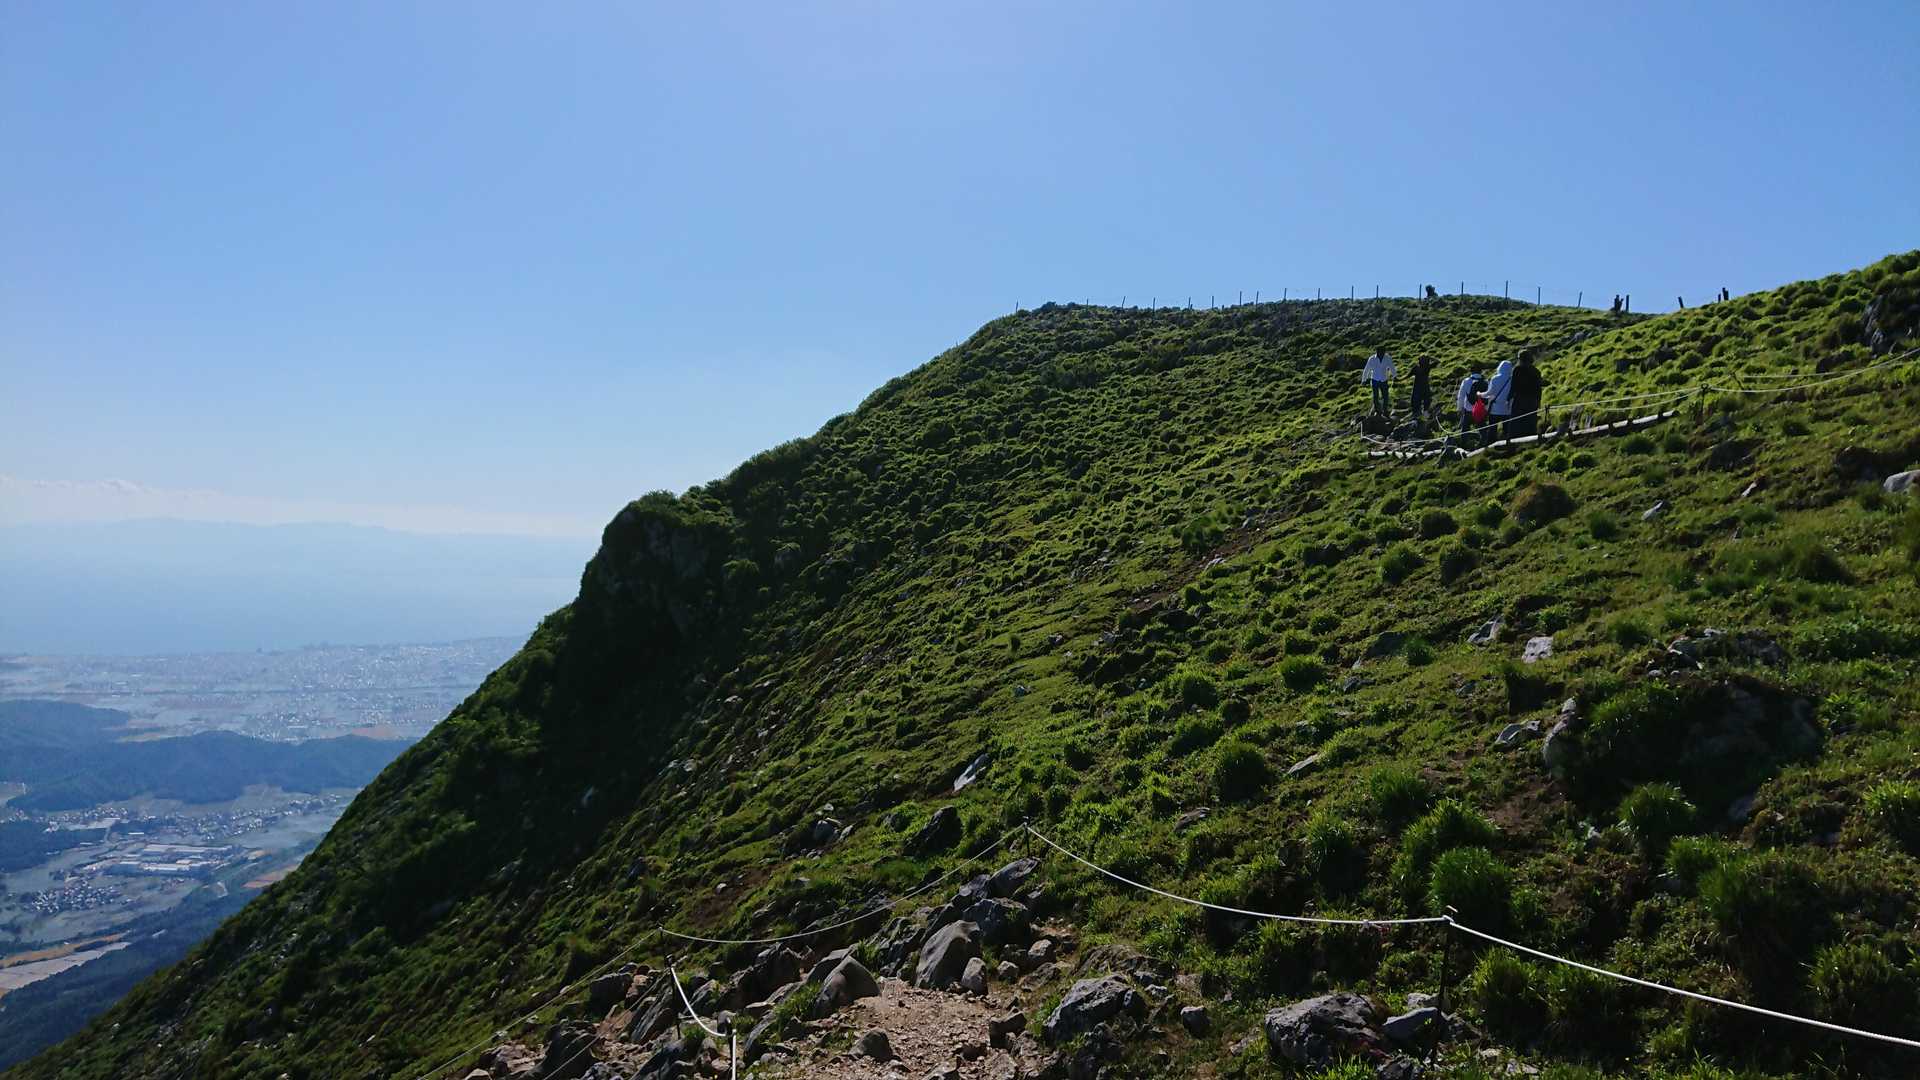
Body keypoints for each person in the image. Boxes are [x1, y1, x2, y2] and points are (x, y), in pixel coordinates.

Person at [1508, 353, 1544, 437]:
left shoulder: (1517, 370)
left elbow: (1514, 386)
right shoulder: (1536, 371)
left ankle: (1515, 440)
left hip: (1520, 400)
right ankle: (1530, 439)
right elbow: (1539, 388)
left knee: (1517, 422)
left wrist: (1509, 398)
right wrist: (1538, 401)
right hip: (1532, 401)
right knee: (1530, 421)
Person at [1486, 359, 1515, 441]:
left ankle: (1491, 444)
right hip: (1507, 409)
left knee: (1492, 429)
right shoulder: (1512, 379)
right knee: (1507, 430)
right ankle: (1506, 444)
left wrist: (1481, 395)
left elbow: (1490, 393)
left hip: (1495, 409)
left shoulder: (1495, 379)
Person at [1362, 345, 1395, 416]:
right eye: (1380, 352)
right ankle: (1377, 411)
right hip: (1375, 380)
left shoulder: (1388, 358)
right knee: (1375, 397)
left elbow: (1392, 367)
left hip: (1384, 379)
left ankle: (1385, 410)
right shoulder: (1372, 359)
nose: (1382, 354)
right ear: (1377, 352)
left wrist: (1394, 377)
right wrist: (1364, 380)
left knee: (1385, 396)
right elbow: (1367, 369)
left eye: (1383, 352)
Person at [1409, 355, 1434, 424]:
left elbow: (1407, 376)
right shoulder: (1427, 367)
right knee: (1425, 403)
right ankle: (1423, 418)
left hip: (1418, 389)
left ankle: (1419, 419)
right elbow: (1437, 361)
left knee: (1417, 404)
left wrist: (1399, 379)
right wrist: (1430, 357)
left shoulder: (1417, 368)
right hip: (1424, 388)